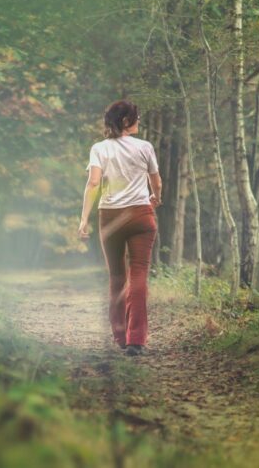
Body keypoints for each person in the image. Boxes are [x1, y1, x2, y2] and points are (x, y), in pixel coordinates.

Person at [77, 100, 162, 357]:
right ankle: (136, 340)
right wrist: (155, 197)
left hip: (111, 217)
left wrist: (84, 219)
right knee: (138, 276)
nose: (139, 121)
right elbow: (155, 181)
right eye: (136, 117)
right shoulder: (144, 147)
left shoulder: (99, 149)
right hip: (141, 215)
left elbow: (93, 184)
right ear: (126, 121)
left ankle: (120, 336)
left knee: (116, 277)